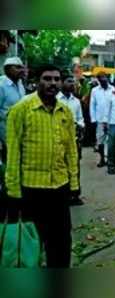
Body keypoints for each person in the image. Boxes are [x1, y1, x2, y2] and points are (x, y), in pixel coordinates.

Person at [5, 64, 79, 268]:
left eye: (56, 79)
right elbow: (13, 152)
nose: (52, 83)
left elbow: (71, 150)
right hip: (31, 189)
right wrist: (13, 192)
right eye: (47, 79)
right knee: (32, 244)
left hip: (59, 187)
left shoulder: (65, 111)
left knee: (61, 242)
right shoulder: (21, 109)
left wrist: (74, 184)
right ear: (36, 81)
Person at [57, 74, 85, 206]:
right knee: (60, 167)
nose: (72, 84)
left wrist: (80, 125)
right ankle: (62, 195)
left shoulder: (76, 101)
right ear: (62, 83)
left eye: (73, 82)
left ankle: (75, 194)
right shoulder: (56, 99)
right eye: (69, 81)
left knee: (74, 166)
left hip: (74, 139)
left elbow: (80, 118)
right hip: (58, 139)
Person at [0, 57, 26, 162]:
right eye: (18, 67)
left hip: (20, 131)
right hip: (5, 133)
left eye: (22, 67)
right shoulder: (1, 85)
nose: (21, 70)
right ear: (7, 69)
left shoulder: (20, 84)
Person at [90, 72, 114, 168]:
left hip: (111, 119)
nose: (103, 79)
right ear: (98, 80)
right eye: (100, 78)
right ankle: (102, 159)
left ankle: (109, 159)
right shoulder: (94, 91)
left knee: (110, 141)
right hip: (99, 119)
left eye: (104, 77)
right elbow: (92, 105)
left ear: (107, 78)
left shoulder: (113, 89)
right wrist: (93, 119)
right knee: (100, 140)